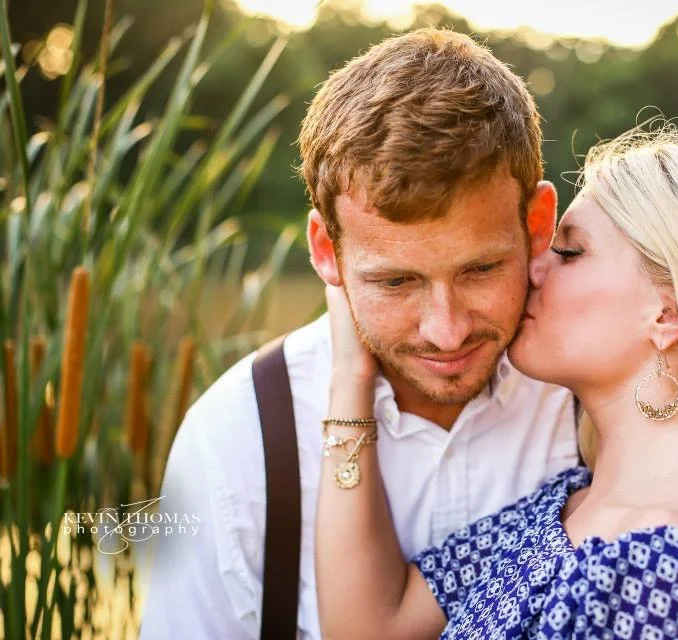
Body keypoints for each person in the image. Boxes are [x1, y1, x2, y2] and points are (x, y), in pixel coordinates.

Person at [315, 126, 678, 639]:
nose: (531, 267)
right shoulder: (568, 506)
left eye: (569, 252)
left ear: (669, 313)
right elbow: (370, 629)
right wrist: (352, 372)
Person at [139, 29, 580, 638]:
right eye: (397, 282)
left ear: (537, 225)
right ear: (326, 249)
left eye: (481, 270)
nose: (446, 331)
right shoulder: (234, 437)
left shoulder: (597, 395)